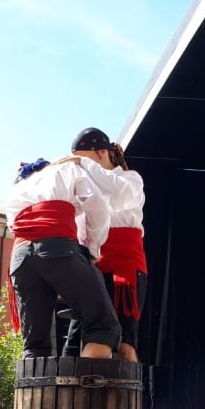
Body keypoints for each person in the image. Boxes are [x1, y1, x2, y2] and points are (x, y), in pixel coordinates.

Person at [5, 153, 122, 359]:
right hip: (56, 248)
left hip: (20, 257)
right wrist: (92, 249)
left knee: (35, 345)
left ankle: (34, 389)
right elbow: (97, 205)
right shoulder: (65, 169)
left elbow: (16, 225)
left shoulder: (18, 188)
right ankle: (88, 390)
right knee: (103, 326)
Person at [62, 128, 147, 362]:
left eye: (85, 158)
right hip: (92, 266)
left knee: (125, 344)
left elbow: (117, 196)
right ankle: (71, 396)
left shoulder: (131, 179)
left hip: (125, 268)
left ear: (102, 153)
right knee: (76, 338)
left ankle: (128, 398)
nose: (79, 165)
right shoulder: (82, 184)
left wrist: (83, 164)